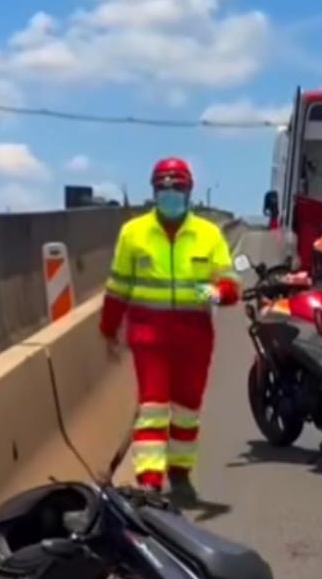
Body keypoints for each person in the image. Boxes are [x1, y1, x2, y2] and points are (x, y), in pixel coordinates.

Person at [100, 157, 240, 507]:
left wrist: (213, 293)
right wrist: (108, 328)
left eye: (177, 186)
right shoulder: (133, 233)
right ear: (154, 190)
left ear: (189, 190)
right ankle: (150, 479)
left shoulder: (208, 235)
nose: (170, 193)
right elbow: (118, 286)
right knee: (153, 406)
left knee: (187, 408)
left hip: (194, 336)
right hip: (149, 335)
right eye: (163, 186)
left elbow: (230, 285)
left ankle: (180, 473)